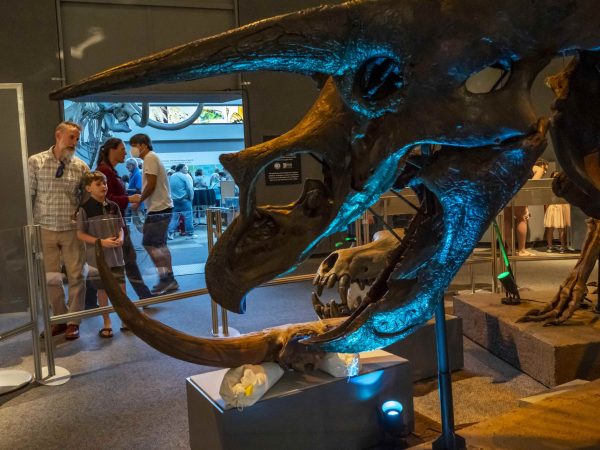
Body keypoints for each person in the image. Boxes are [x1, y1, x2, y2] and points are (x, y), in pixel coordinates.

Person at [28, 121, 89, 340]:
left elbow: (86, 194)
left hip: (72, 230)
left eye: (77, 139)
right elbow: (30, 195)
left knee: (76, 276)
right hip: (45, 228)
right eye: (71, 137)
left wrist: (78, 214)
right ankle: (59, 320)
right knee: (50, 278)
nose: (75, 142)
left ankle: (74, 321)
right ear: (58, 135)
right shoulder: (36, 162)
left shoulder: (81, 166)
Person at [96, 138, 154, 300]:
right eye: (122, 149)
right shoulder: (105, 171)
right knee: (126, 261)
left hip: (117, 222)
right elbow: (106, 198)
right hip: (112, 224)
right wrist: (129, 199)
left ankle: (145, 295)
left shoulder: (109, 171)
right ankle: (144, 295)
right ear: (112, 150)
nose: (125, 152)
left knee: (128, 261)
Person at [76, 171, 126, 338]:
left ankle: (126, 319)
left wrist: (120, 237)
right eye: (98, 184)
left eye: (104, 183)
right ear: (89, 188)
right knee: (102, 291)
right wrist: (101, 242)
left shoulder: (114, 206)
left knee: (121, 289)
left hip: (116, 256)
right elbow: (81, 234)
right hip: (97, 260)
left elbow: (121, 226)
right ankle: (107, 322)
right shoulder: (84, 209)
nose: (103, 186)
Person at [129, 134, 179, 294]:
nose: (132, 149)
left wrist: (139, 201)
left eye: (134, 145)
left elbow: (151, 183)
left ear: (142, 145)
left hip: (158, 208)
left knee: (150, 244)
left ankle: (165, 278)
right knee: (160, 244)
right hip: (161, 207)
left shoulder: (150, 158)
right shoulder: (151, 158)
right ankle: (169, 278)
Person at [504, 159, 547, 256]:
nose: (544, 172)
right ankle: (521, 250)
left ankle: (509, 249)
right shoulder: (537, 168)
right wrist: (526, 207)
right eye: (545, 169)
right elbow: (532, 186)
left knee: (507, 219)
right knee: (521, 217)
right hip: (520, 192)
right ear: (542, 164)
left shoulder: (515, 163)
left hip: (506, 190)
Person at [544, 171, 571, 253]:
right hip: (555, 207)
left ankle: (558, 246)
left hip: (559, 206)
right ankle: (555, 246)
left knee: (558, 228)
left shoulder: (553, 186)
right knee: (554, 228)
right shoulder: (559, 186)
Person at [168, 164, 196, 239]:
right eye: (185, 168)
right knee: (188, 217)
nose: (186, 170)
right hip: (185, 200)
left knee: (174, 218)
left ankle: (170, 233)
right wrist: (191, 198)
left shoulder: (172, 176)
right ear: (180, 169)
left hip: (174, 200)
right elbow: (190, 189)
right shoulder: (185, 176)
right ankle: (190, 234)